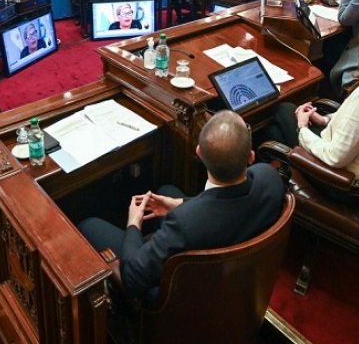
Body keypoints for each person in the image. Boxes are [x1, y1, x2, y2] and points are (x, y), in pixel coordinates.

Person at [78, 110, 283, 300]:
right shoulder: (270, 178)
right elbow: (223, 204)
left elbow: (131, 279)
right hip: (241, 281)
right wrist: (179, 204)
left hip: (184, 301)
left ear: (199, 153)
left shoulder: (184, 224)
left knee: (89, 225)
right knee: (167, 190)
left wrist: (133, 224)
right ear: (251, 157)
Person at [256, 15, 359, 190]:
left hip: (344, 181)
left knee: (280, 115)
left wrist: (302, 128)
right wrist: (324, 120)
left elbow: (334, 157)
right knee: (276, 125)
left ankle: (260, 186)